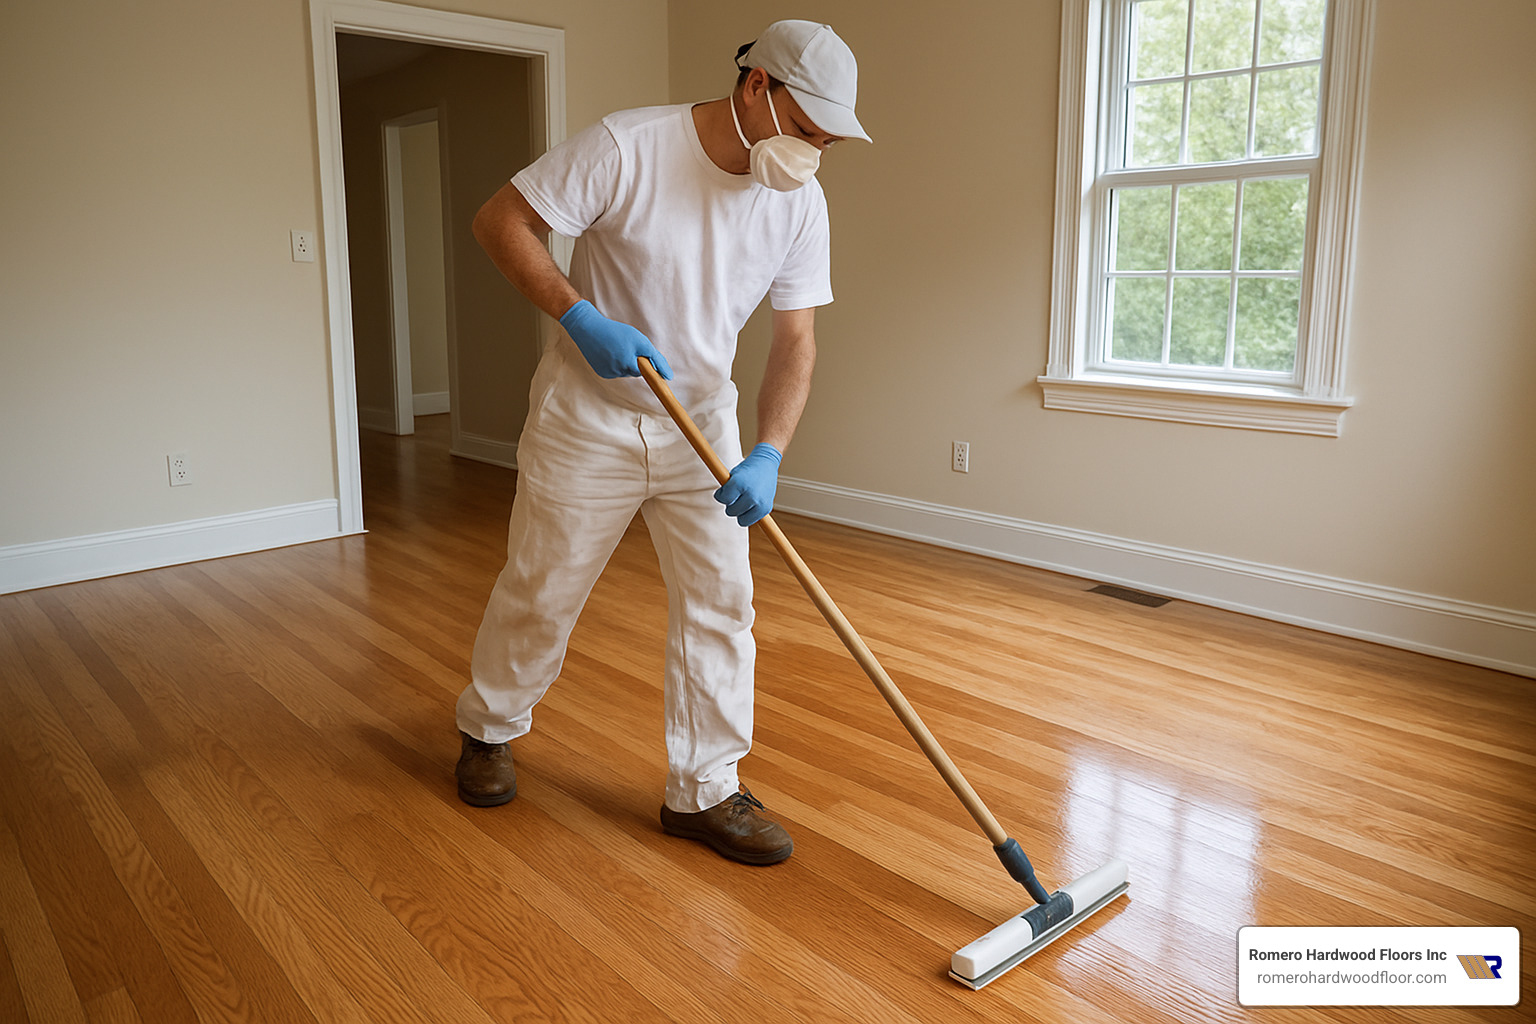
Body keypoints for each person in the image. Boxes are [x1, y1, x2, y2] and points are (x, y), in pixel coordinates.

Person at [453, 21, 869, 866]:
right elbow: (501, 222)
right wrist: (580, 315)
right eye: (806, 129)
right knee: (542, 587)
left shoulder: (798, 201)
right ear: (757, 86)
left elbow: (796, 340)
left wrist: (769, 451)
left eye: (829, 142)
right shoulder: (629, 146)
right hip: (588, 414)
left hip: (701, 423)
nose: (812, 154)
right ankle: (489, 729)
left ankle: (706, 789)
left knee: (723, 603)